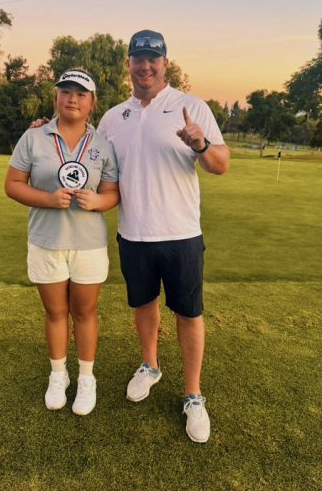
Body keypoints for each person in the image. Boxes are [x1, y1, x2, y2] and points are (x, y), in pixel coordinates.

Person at [97, 30, 229, 443]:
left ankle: (193, 396)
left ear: (165, 64)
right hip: (133, 233)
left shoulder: (190, 107)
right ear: (129, 65)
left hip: (181, 233)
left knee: (188, 313)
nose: (146, 65)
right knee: (144, 304)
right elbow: (87, 155)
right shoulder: (113, 116)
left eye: (153, 58)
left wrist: (201, 142)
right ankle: (151, 366)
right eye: (139, 58)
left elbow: (220, 164)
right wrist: (48, 129)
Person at [5, 69, 119, 416]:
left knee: (84, 312)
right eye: (66, 91)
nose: (72, 98)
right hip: (46, 240)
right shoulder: (34, 137)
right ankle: (59, 375)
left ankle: (87, 378)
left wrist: (99, 202)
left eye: (81, 94)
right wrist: (47, 198)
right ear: (55, 97)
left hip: (88, 244)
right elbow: (12, 184)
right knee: (55, 312)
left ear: (92, 103)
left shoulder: (103, 145)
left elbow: (111, 192)